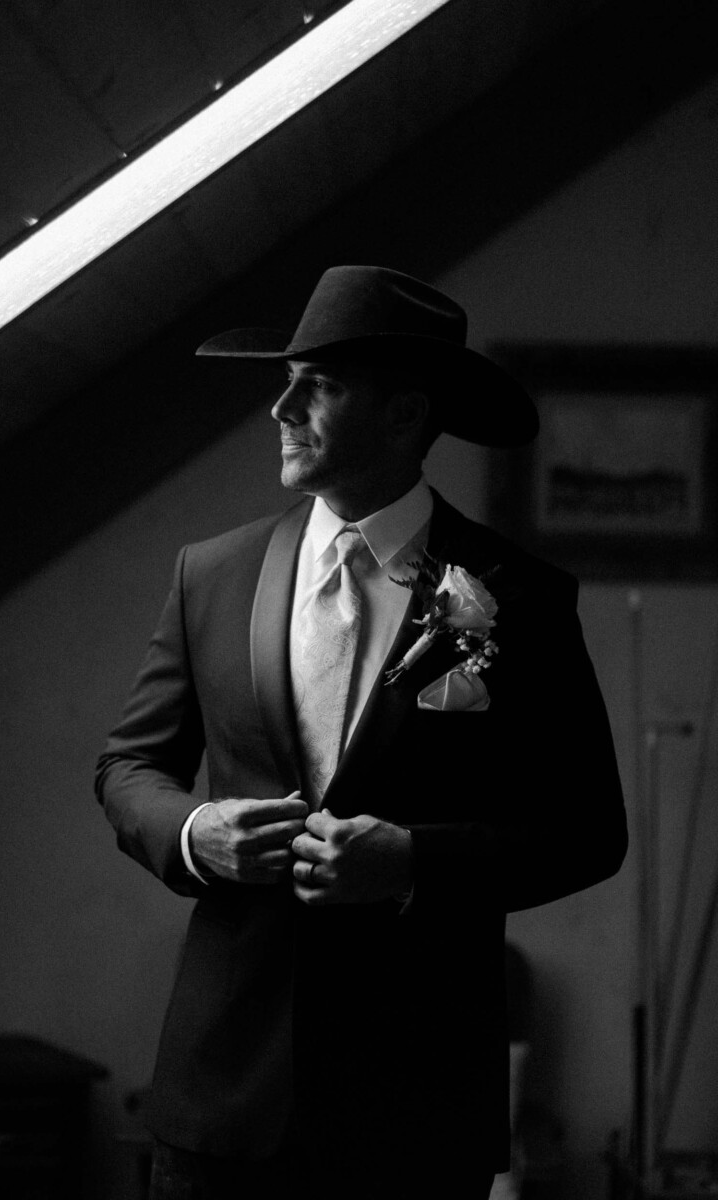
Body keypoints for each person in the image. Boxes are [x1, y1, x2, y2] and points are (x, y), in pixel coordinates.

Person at [95, 265, 627, 1200]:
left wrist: (415, 862)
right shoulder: (209, 575)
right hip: (219, 1099)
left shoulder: (520, 599)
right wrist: (194, 832)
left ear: (405, 414)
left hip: (415, 1108)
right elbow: (129, 765)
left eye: (322, 385)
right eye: (288, 378)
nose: (281, 408)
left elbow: (589, 833)